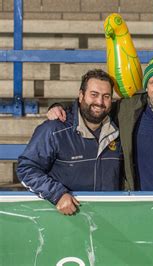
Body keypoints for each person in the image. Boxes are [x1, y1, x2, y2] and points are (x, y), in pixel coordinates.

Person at [47, 54, 153, 191]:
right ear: (146, 87)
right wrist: (59, 106)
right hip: (141, 204)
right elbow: (94, 107)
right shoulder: (129, 110)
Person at [17, 69, 122, 215]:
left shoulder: (119, 130)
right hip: (68, 220)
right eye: (94, 94)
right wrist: (57, 194)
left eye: (106, 96)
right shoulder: (54, 129)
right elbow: (26, 169)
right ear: (81, 96)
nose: (100, 102)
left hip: (110, 221)